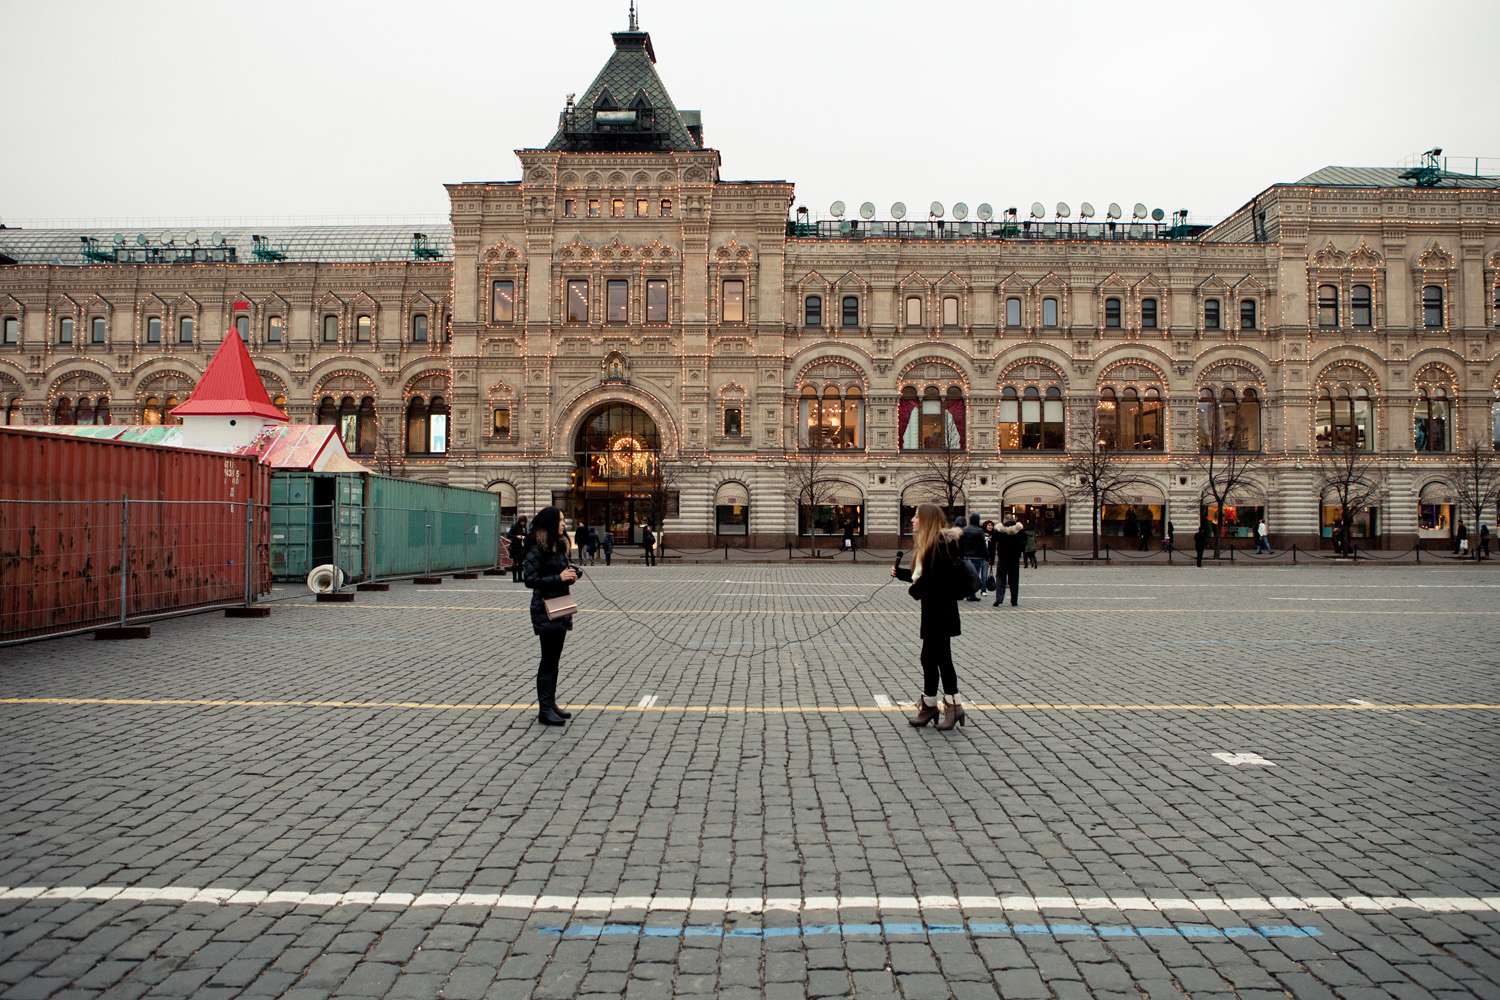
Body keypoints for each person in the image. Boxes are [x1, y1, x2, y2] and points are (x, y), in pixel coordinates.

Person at [891, 503, 967, 731]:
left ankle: (954, 706)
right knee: (929, 659)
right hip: (934, 611)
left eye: (916, 517)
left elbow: (934, 580)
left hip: (941, 613)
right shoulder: (931, 545)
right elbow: (924, 576)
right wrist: (903, 575)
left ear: (926, 520)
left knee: (942, 659)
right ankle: (930, 705)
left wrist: (913, 589)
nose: (913, 520)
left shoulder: (940, 546)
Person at [522, 507, 577, 727]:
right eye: (561, 520)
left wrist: (571, 574)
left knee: (554, 660)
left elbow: (557, 572)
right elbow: (530, 579)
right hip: (545, 608)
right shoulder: (537, 547)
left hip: (560, 605)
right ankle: (544, 710)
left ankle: (551, 704)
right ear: (552, 522)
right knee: (548, 660)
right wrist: (559, 577)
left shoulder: (558, 546)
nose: (564, 524)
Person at [990, 516, 1024, 606]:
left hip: (1003, 558)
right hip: (1015, 558)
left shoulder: (1000, 529)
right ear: (1014, 520)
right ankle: (1014, 600)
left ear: (1005, 520)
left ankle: (999, 598)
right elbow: (1024, 540)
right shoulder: (1019, 529)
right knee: (1014, 578)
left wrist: (992, 558)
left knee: (1000, 578)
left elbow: (993, 541)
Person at [959, 513, 988, 600]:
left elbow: (960, 544)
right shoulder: (979, 531)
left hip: (966, 556)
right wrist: (987, 557)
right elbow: (983, 545)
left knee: (966, 575)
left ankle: (965, 593)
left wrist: (960, 555)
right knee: (974, 575)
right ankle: (971, 595)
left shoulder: (964, 530)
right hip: (977, 556)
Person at [506, 516, 527, 583]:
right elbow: (509, 535)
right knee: (515, 561)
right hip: (515, 546)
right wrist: (516, 536)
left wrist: (524, 536)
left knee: (521, 562)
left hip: (521, 546)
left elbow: (526, 534)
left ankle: (520, 577)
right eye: (522, 521)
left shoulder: (524, 527)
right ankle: (514, 578)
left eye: (524, 522)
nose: (523, 523)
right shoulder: (515, 526)